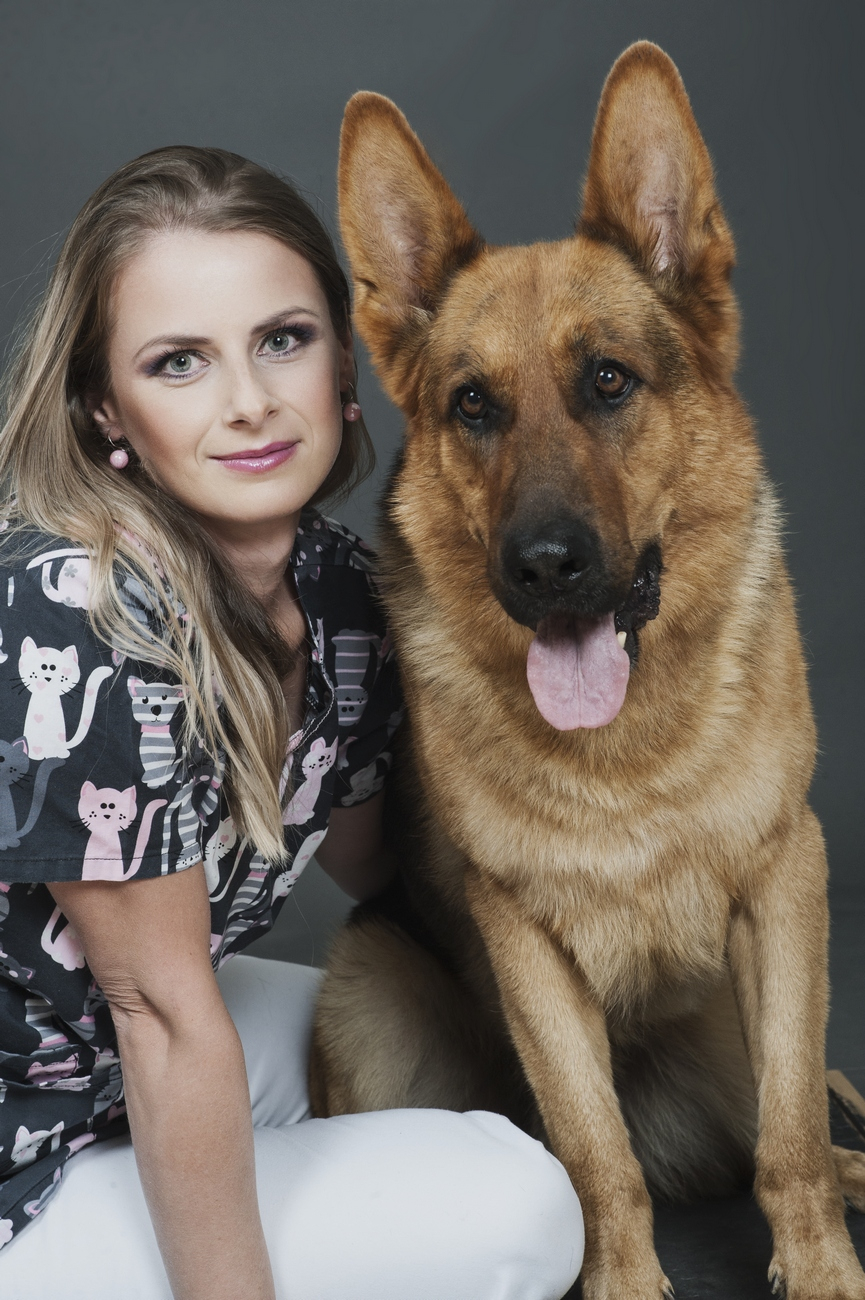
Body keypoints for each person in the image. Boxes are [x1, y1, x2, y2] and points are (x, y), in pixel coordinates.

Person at [0, 146, 583, 1300]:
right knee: (524, 1208)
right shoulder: (70, 613)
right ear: (105, 406)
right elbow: (161, 1015)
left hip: (83, 1063)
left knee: (444, 1038)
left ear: (346, 364)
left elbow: (386, 869)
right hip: (25, 1151)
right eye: (179, 362)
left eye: (282, 339)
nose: (249, 402)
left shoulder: (338, 587)